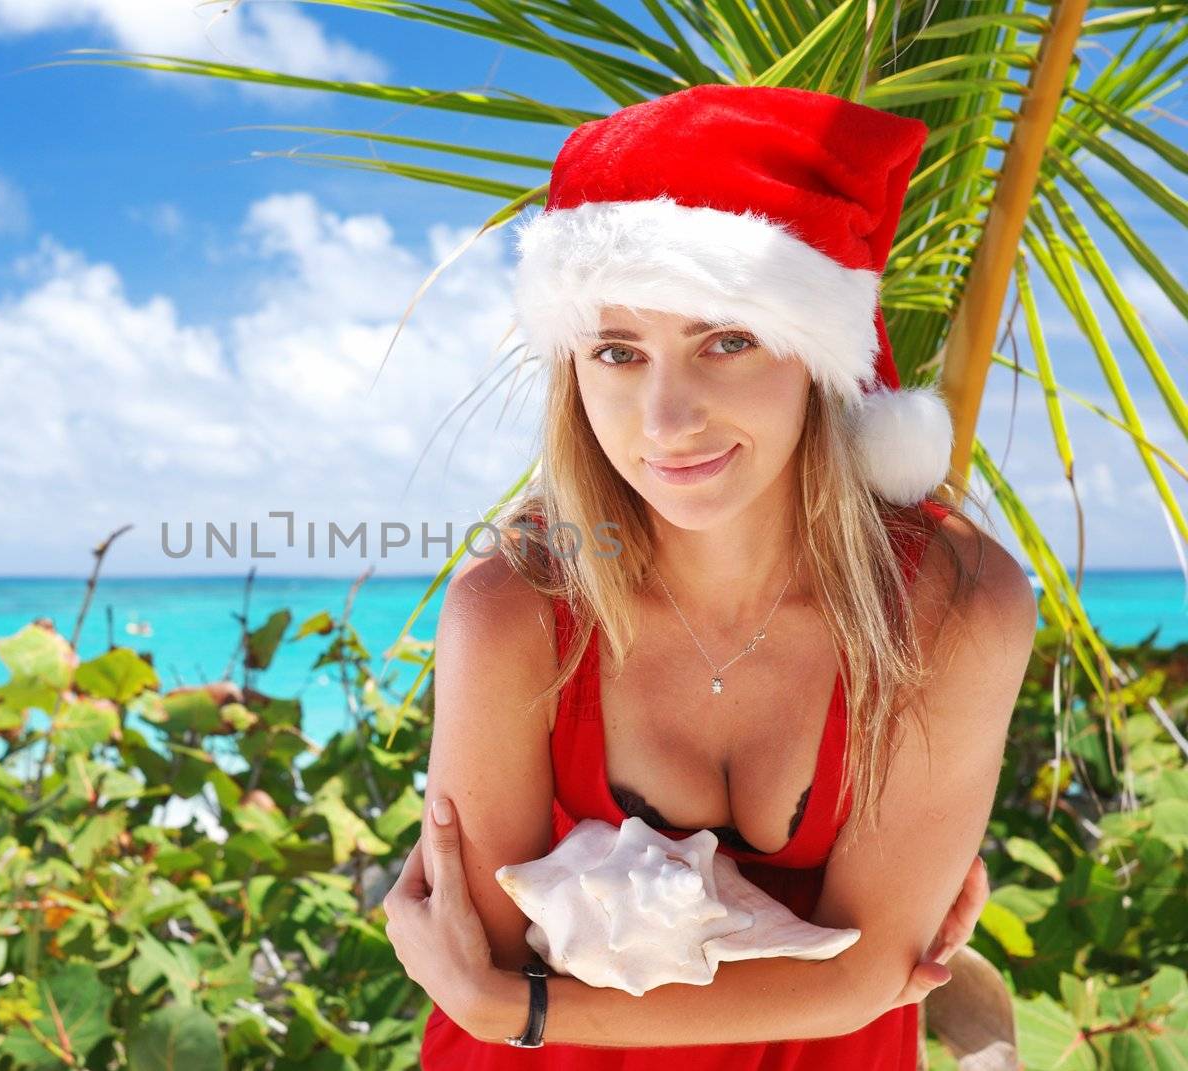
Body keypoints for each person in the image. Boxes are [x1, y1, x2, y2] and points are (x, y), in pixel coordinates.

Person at [382, 84, 1036, 1068]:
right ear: (575, 373)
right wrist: (821, 958)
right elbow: (476, 949)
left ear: (815, 358)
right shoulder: (514, 611)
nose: (663, 419)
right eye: (616, 350)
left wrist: (518, 1006)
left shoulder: (953, 606)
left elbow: (866, 979)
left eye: (725, 341)